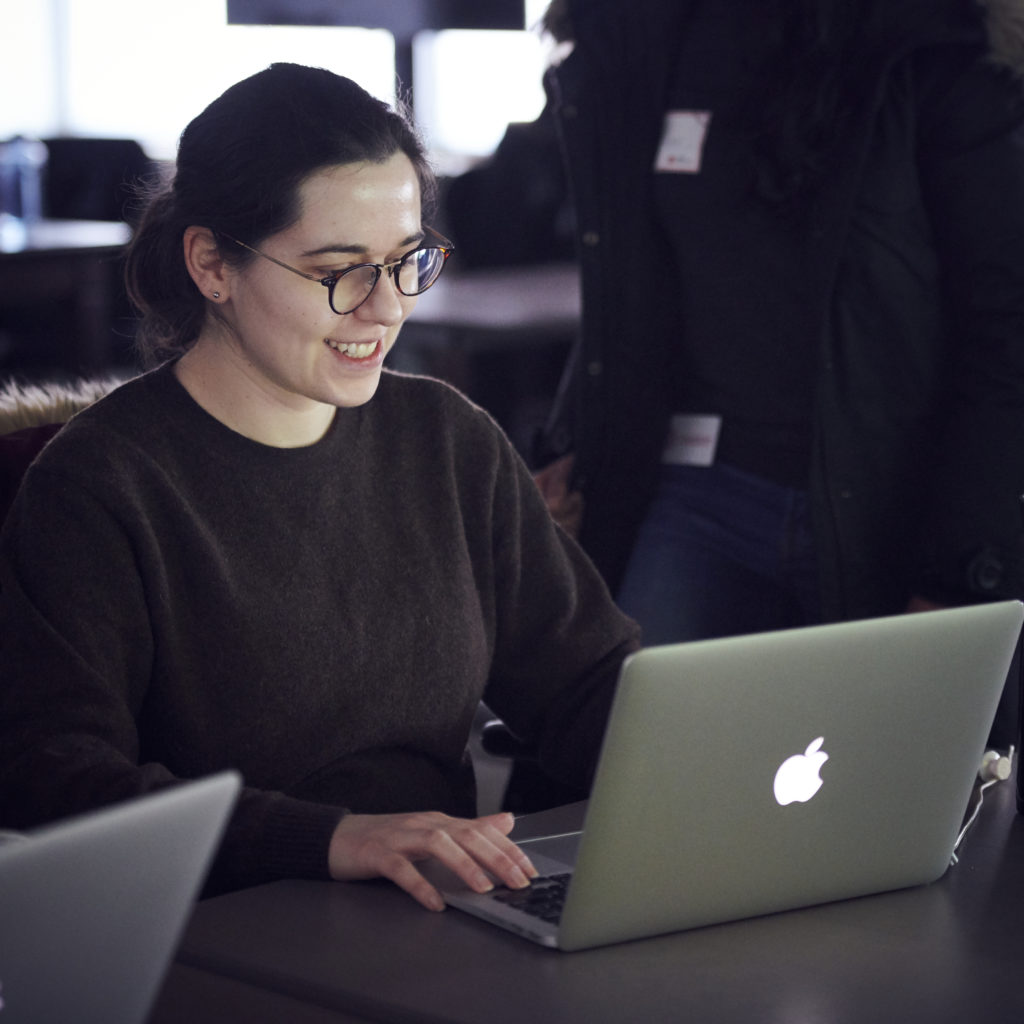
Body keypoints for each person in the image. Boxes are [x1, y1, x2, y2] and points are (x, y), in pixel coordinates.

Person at [0, 63, 640, 910]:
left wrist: (719, 765)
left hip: (439, 917)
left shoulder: (447, 442)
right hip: (224, 930)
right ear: (212, 265)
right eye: (341, 270)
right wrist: (331, 838)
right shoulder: (101, 485)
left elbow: (586, 683)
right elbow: (57, 781)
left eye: (409, 260)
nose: (386, 309)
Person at [534, 0, 1024, 665]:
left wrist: (960, 571)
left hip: (885, 509)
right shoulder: (645, 31)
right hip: (696, 493)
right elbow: (630, 287)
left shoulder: (941, 47)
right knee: (648, 756)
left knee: (877, 764)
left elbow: (1003, 335)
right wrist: (575, 445)